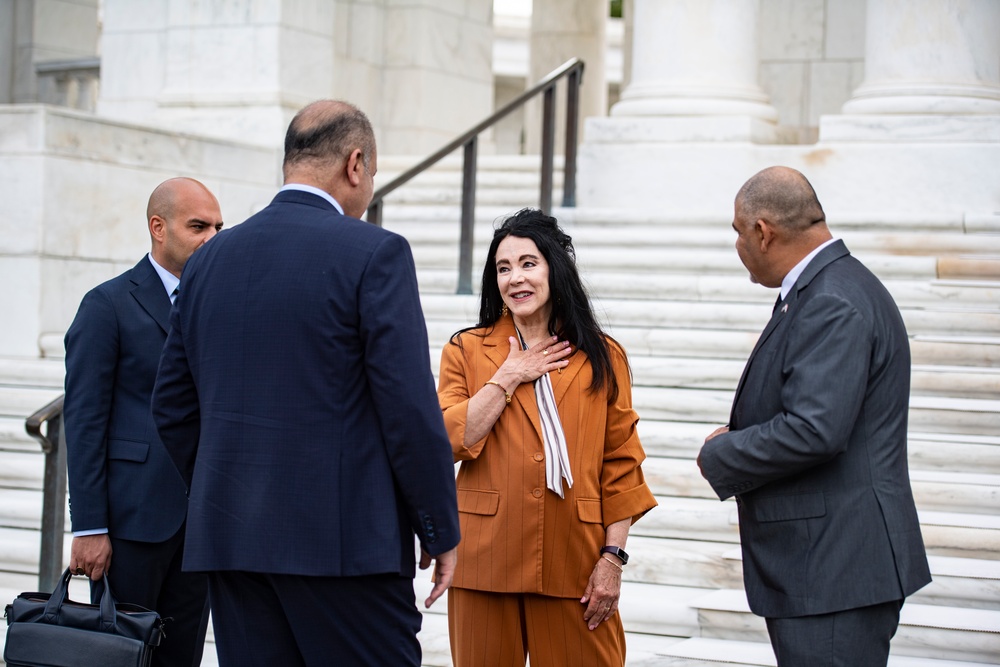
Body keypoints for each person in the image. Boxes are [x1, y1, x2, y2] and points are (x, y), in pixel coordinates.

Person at [150, 100, 460, 667]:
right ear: (356, 163)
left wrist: (230, 486)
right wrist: (439, 528)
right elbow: (408, 409)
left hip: (234, 542)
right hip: (346, 550)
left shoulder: (208, 261)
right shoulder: (375, 252)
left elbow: (171, 405)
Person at [697, 166, 931, 666]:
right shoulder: (828, 287)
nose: (737, 245)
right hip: (830, 567)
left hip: (835, 569)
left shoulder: (832, 300)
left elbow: (814, 430)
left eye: (738, 232)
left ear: (763, 231)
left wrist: (722, 452)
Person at [437, 208, 657, 667]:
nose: (515, 277)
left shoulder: (604, 355)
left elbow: (621, 464)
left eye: (528, 263)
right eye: (503, 267)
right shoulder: (466, 350)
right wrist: (509, 375)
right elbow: (449, 439)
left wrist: (613, 560)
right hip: (484, 560)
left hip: (575, 561)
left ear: (555, 268)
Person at [64, 177, 223, 667]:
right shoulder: (106, 304)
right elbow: (85, 419)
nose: (212, 238)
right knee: (119, 659)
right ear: (158, 227)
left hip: (201, 525)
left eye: (219, 226)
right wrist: (90, 526)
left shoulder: (220, 306)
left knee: (182, 658)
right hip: (130, 525)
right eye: (198, 226)